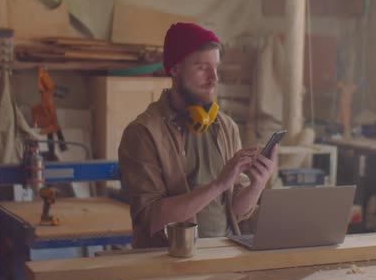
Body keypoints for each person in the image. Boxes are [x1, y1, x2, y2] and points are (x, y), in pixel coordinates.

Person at [118, 22, 276, 248]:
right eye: (202, 67)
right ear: (174, 69)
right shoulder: (143, 133)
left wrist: (256, 185)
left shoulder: (225, 126)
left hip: (223, 255)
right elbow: (151, 219)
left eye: (216, 67)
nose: (214, 78)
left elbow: (234, 212)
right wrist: (219, 184)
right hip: (169, 259)